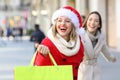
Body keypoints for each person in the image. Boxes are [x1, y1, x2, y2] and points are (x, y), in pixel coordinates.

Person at [32, 6, 84, 80]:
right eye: (59, 20)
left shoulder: (79, 42)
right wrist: (43, 55)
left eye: (67, 21)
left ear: (73, 25)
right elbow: (40, 69)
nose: (62, 24)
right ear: (55, 24)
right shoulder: (48, 42)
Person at [78, 11, 117, 80]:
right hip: (82, 69)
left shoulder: (101, 36)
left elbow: (104, 48)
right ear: (86, 21)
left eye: (96, 21)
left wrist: (111, 57)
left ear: (99, 25)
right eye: (90, 20)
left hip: (95, 69)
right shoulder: (80, 35)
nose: (92, 23)